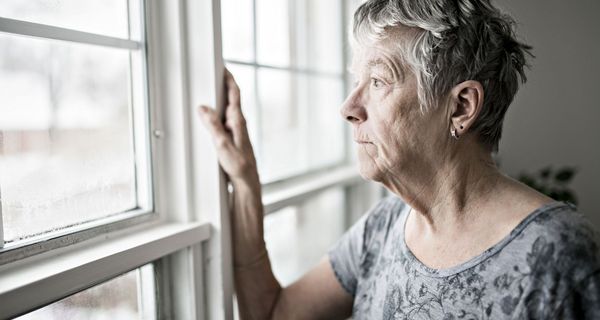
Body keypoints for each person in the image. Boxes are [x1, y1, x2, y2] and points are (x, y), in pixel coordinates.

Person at [199, 0, 600, 318]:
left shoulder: (555, 254)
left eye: (377, 81)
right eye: (355, 81)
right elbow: (273, 316)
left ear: (461, 107)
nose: (349, 107)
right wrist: (246, 184)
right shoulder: (385, 225)